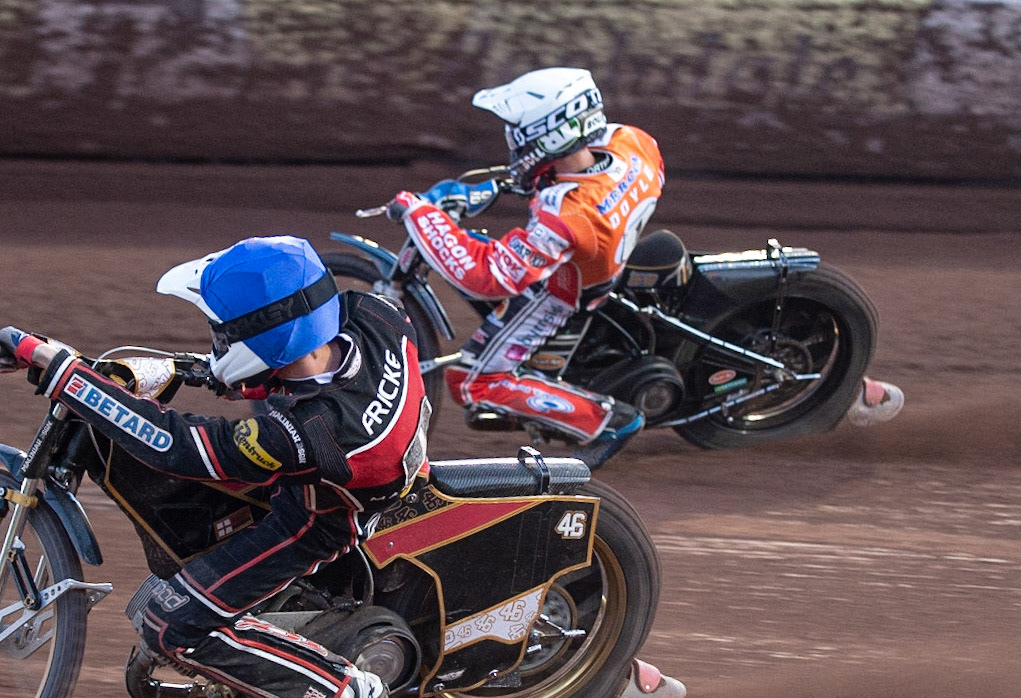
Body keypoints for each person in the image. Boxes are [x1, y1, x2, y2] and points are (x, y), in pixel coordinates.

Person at [0, 235, 431, 698]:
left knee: (170, 625)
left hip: (315, 519)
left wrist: (64, 372)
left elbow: (178, 446)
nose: (216, 337)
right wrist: (183, 369)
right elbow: (276, 371)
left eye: (222, 330)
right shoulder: (371, 314)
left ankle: (343, 693)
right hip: (360, 465)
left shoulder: (310, 433)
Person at [386, 67, 902, 457]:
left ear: (550, 133)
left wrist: (421, 213)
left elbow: (486, 274)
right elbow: (556, 178)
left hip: (570, 294)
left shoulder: (566, 214)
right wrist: (506, 183)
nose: (511, 139)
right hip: (621, 253)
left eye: (519, 130)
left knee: (471, 381)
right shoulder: (631, 143)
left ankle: (605, 421)